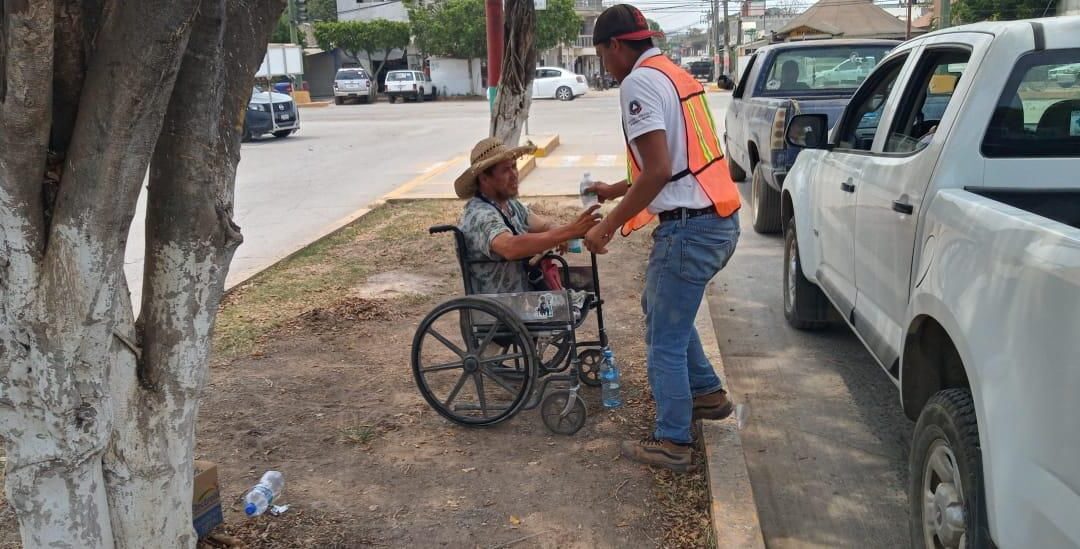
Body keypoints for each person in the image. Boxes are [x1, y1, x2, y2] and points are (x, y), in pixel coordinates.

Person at [583, 4, 742, 473]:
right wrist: (616, 189)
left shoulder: (637, 82)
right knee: (662, 314)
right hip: (716, 218)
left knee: (664, 339)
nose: (605, 67)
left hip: (690, 229)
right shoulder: (671, 72)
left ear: (615, 45)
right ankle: (708, 396)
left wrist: (606, 224)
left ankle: (672, 442)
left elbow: (657, 170)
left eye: (601, 55)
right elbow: (677, 160)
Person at [455, 137, 601, 295]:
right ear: (484, 178)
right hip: (502, 304)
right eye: (505, 170)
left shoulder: (509, 204)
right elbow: (510, 247)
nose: (514, 175)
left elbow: (543, 226)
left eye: (514, 167)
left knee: (585, 294)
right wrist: (569, 231)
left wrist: (559, 232)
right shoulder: (480, 215)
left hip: (525, 295)